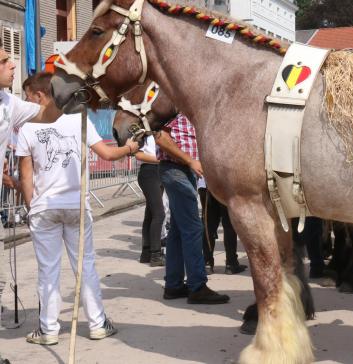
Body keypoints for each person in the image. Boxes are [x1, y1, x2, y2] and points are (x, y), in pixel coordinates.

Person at [17, 72, 138, 344]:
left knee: (48, 270)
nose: (26, 102)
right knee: (85, 265)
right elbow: (107, 153)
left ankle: (49, 330)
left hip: (45, 208)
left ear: (40, 95)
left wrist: (30, 208)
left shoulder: (27, 128)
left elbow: (26, 175)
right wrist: (130, 149)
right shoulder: (78, 119)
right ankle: (97, 324)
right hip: (75, 206)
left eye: (28, 96)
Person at [0, 49, 63, 329]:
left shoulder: (8, 103)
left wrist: (74, 90)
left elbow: (45, 113)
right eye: (3, 61)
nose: (13, 64)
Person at [155, 114, 229, 304]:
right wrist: (189, 160)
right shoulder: (172, 107)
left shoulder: (183, 108)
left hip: (180, 170)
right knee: (193, 228)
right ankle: (197, 286)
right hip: (176, 169)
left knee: (179, 231)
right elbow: (161, 137)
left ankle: (173, 285)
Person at [197, 178, 246, 275]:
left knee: (209, 224)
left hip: (207, 183)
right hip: (224, 183)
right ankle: (231, 263)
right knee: (228, 224)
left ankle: (207, 262)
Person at [134, 135, 165, 266]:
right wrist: (162, 160)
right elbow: (138, 155)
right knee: (159, 214)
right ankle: (155, 255)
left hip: (160, 171)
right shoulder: (143, 134)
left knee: (151, 213)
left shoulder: (161, 130)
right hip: (149, 172)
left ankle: (146, 253)